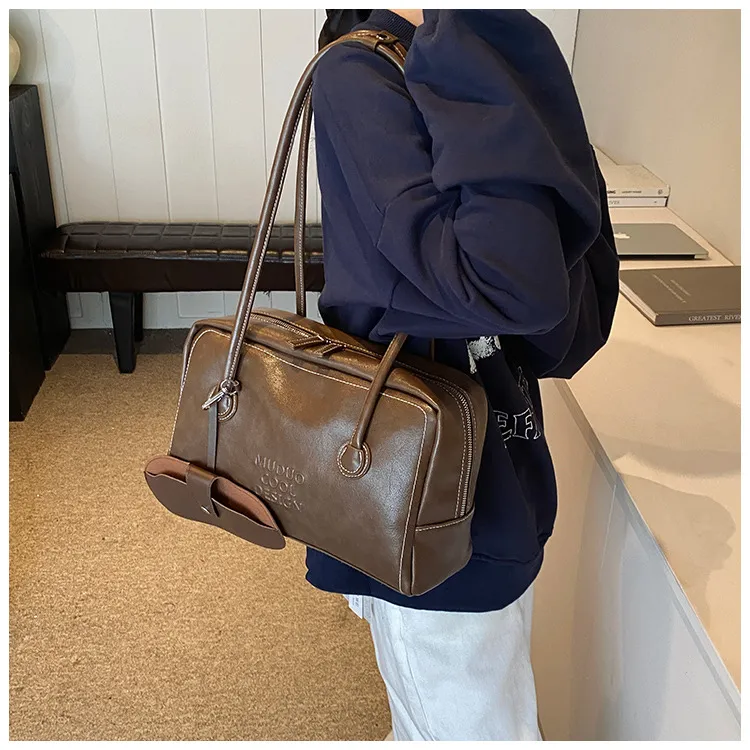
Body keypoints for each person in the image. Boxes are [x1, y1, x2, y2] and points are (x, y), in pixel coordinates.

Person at [308, 9, 619, 741]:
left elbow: (573, 321)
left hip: (488, 470)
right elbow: (519, 286)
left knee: (455, 712)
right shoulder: (362, 71)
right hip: (422, 494)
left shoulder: (461, 51)